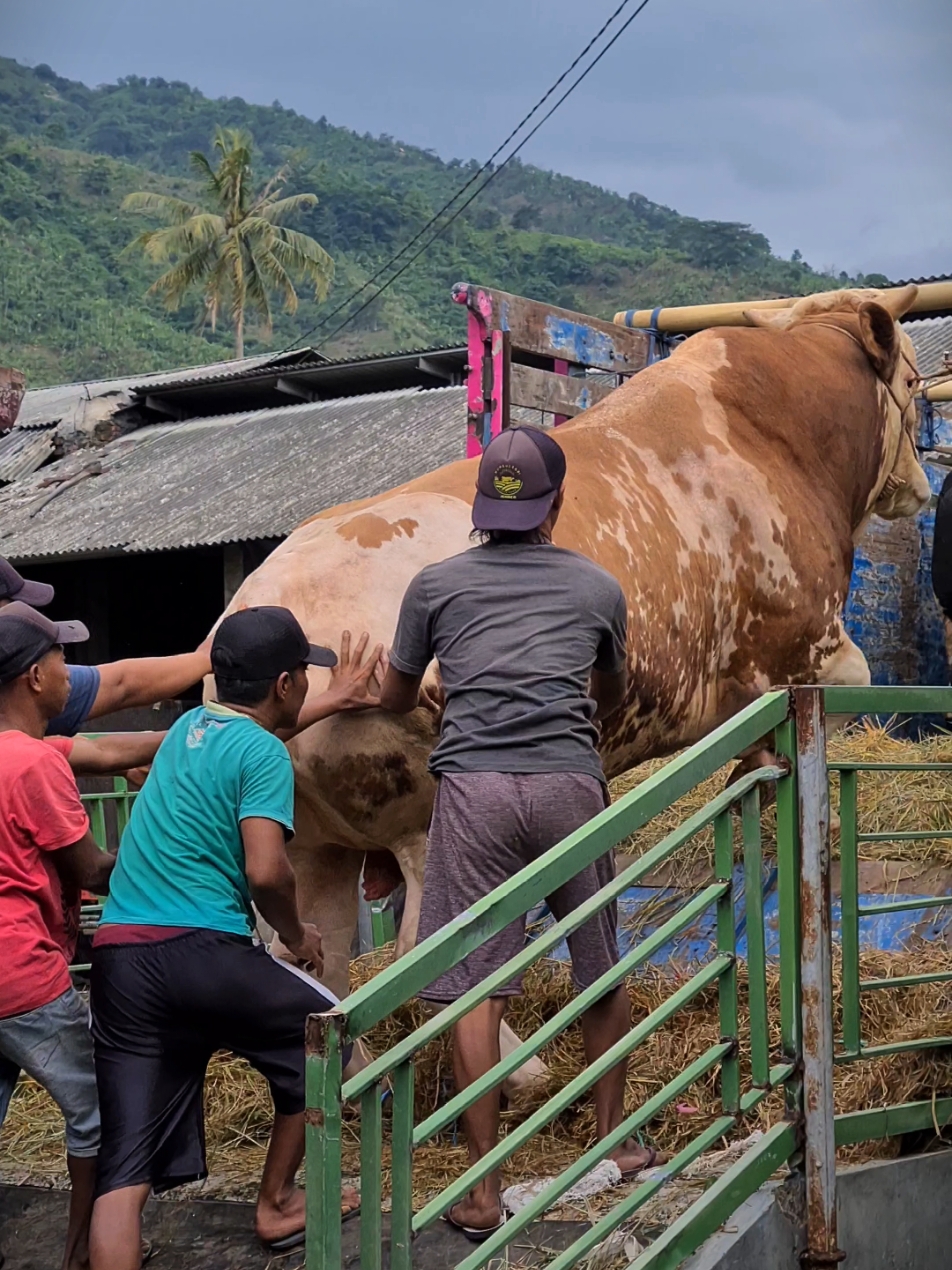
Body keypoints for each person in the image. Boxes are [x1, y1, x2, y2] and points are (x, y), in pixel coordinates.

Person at [379, 424, 660, 1240]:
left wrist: (429, 690)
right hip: (570, 782)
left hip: (474, 790)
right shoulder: (598, 587)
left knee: (476, 980)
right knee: (597, 955)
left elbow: (398, 698)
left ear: (479, 507)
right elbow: (607, 697)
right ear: (556, 503)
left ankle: (480, 1189)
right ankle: (614, 1139)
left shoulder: (434, 587)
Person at [88, 606, 378, 1270]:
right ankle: (276, 1204)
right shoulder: (264, 755)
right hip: (202, 951)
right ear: (283, 684)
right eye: (304, 676)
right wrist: (296, 932)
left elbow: (246, 740)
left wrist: (335, 700)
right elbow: (266, 868)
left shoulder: (191, 726)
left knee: (123, 1173)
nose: (306, 686)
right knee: (324, 1041)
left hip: (121, 961)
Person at [0, 602, 166, 1270]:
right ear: (35, 677)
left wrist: (197, 736)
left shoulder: (30, 753)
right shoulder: (33, 766)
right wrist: (165, 832)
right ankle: (81, 1254)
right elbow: (93, 869)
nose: (73, 674)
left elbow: (106, 749)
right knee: (99, 1113)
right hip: (23, 973)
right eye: (64, 660)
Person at [0, 555, 211, 736]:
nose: (26, 616)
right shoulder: (25, 687)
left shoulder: (23, 691)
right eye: (15, 608)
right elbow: (120, 685)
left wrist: (204, 658)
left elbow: (121, 685)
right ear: (36, 678)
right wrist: (209, 656)